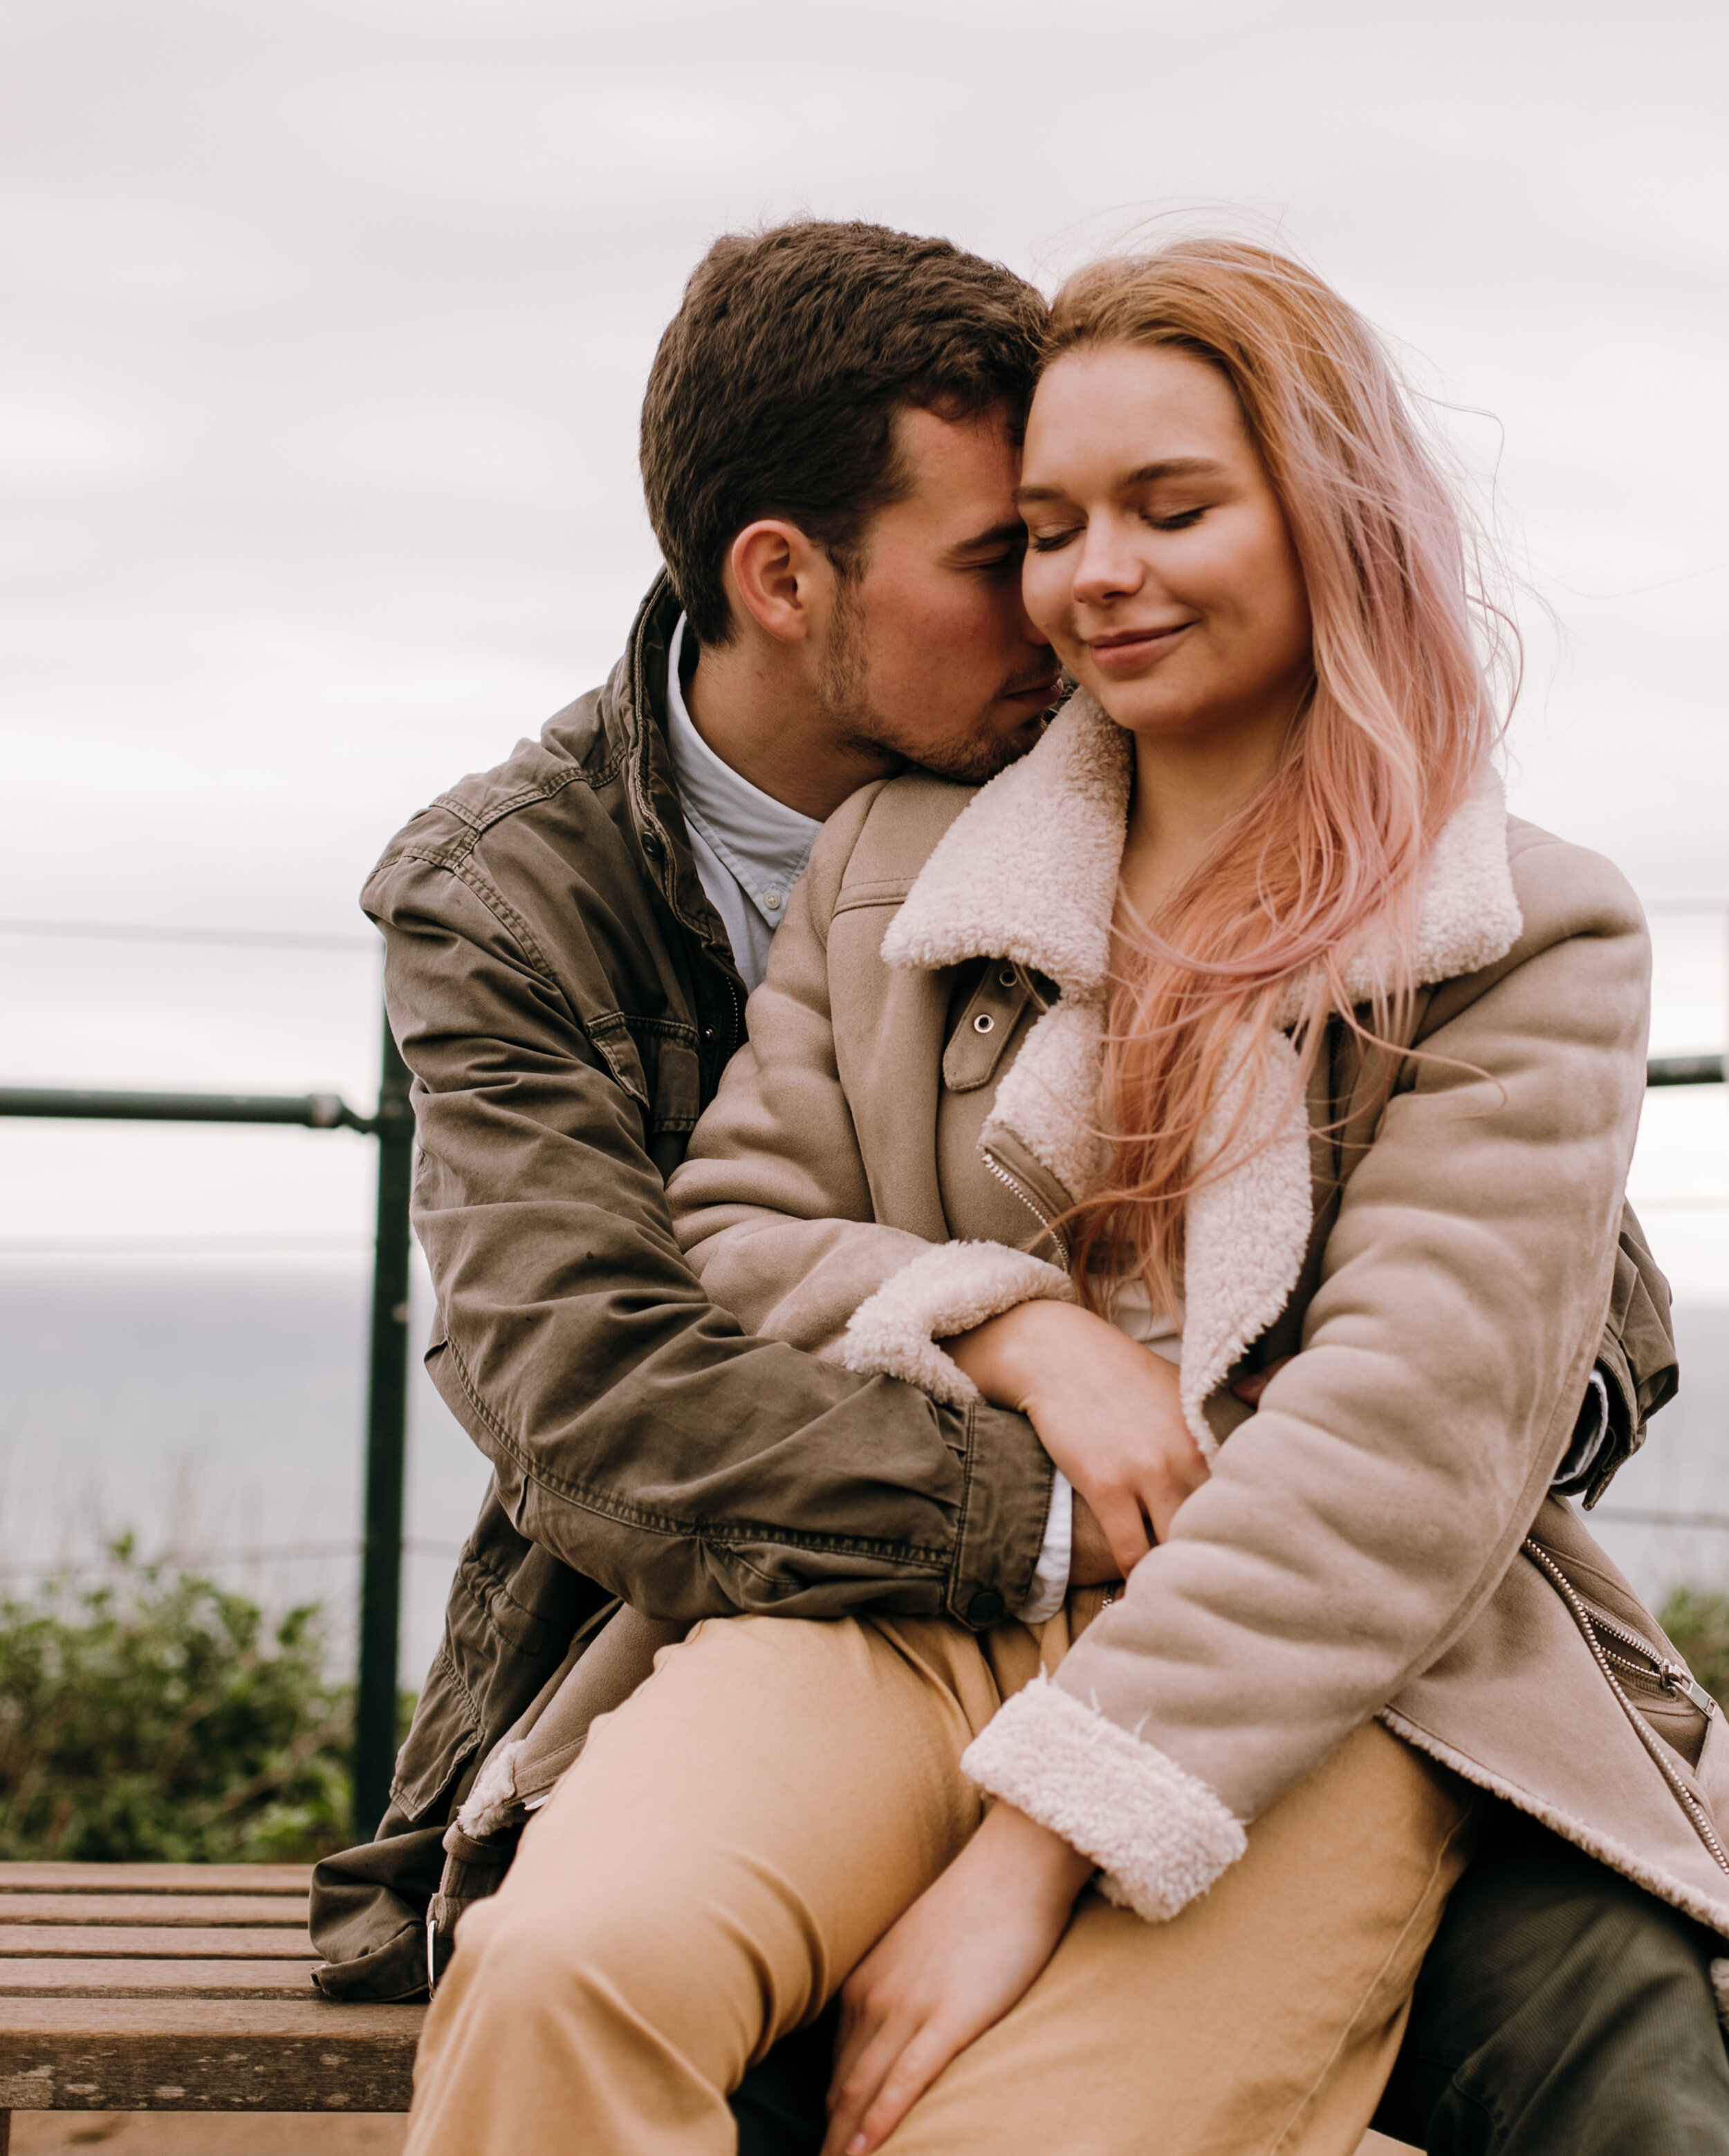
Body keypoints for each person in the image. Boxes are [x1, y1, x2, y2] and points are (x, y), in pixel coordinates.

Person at [399, 236, 1729, 2156]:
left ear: (1331, 518)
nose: (1086, 582)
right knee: (556, 1979)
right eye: (1036, 532)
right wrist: (1009, 1328)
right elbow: (694, 1268)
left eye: (1167, 507)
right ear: (785, 579)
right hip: (872, 1609)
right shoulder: (879, 857)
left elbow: (1427, 1421)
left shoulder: (1522, 926)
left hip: (1305, 1670)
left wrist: (1027, 1857)